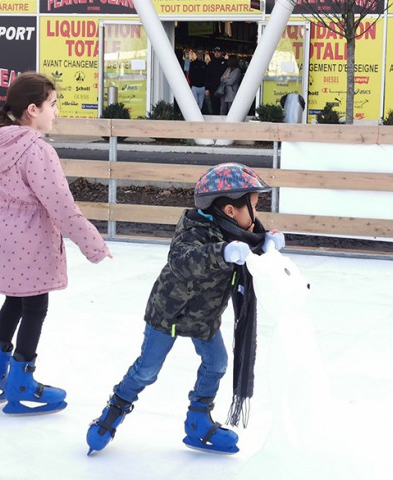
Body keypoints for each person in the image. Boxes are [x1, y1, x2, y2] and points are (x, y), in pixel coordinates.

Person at [85, 163, 285, 455]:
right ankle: (113, 411)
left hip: (204, 316)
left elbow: (250, 250)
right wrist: (223, 252)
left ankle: (198, 423)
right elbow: (183, 260)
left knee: (216, 363)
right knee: (147, 370)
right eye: (254, 206)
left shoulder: (240, 234)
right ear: (231, 210)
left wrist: (266, 243)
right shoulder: (194, 228)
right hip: (169, 313)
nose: (257, 214)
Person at [0, 72, 112, 415]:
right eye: (53, 104)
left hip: (0, 232)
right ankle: (20, 384)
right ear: (32, 109)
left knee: (14, 303)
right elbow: (61, 206)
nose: (56, 112)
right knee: (34, 308)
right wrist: (94, 245)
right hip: (28, 237)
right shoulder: (36, 150)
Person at [207, 47, 228, 115]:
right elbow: (207, 76)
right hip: (213, 87)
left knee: (223, 105)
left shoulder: (225, 62)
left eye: (218, 52)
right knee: (214, 104)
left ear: (221, 53)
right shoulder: (210, 63)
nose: (217, 53)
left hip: (223, 87)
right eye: (215, 52)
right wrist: (207, 88)